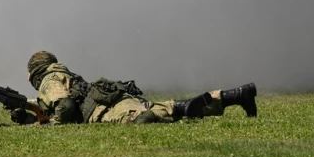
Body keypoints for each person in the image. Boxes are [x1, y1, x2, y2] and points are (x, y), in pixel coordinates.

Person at [19, 51, 258, 126]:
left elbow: (66, 105)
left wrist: (54, 126)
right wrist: (28, 116)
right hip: (117, 98)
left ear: (36, 71)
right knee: (173, 108)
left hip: (107, 109)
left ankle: (148, 116)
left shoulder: (49, 80)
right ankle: (237, 95)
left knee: (141, 119)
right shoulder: (63, 74)